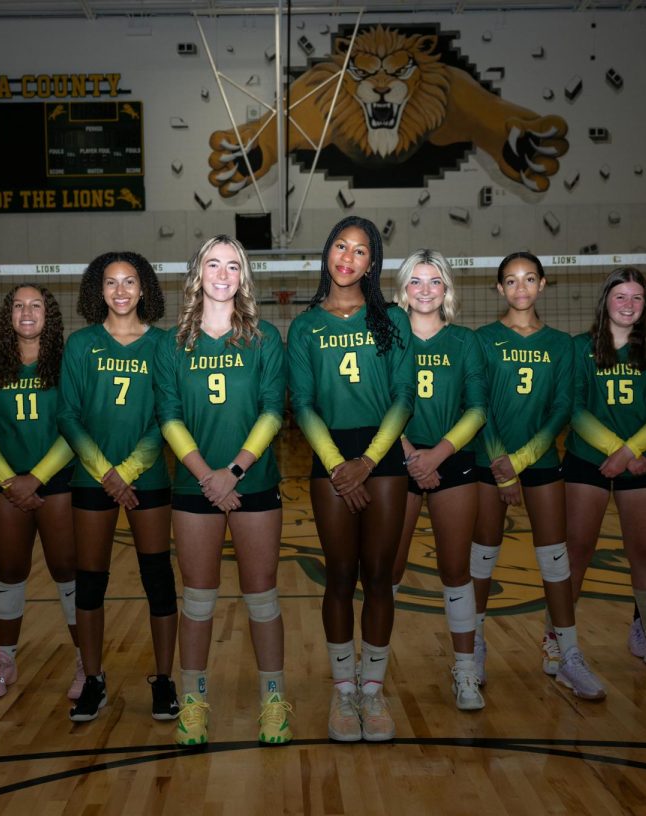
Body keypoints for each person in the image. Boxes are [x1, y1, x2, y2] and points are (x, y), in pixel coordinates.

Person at [155, 235, 292, 746]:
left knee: (262, 599)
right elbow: (168, 417)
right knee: (198, 601)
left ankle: (273, 699)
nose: (222, 273)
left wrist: (230, 473)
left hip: (251, 484)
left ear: (243, 277)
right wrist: (204, 475)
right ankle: (193, 703)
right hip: (195, 488)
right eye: (212, 264)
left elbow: (273, 411)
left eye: (232, 266)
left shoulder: (264, 338)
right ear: (197, 274)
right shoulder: (173, 343)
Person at [287, 215, 414, 742]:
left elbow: (404, 398)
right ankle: (344, 693)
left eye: (361, 250)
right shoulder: (305, 326)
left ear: (372, 262)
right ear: (327, 252)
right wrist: (339, 464)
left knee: (379, 575)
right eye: (341, 245)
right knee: (340, 575)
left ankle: (373, 688)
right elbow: (303, 403)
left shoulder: (393, 320)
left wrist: (368, 460)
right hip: (329, 455)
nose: (348, 256)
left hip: (381, 457)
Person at [472, 252, 607, 699]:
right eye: (510, 281)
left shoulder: (562, 344)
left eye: (529, 278)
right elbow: (480, 408)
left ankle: (567, 653)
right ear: (499, 289)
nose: (520, 288)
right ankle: (472, 647)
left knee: (556, 559)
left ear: (543, 284)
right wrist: (501, 467)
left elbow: (562, 409)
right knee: (482, 559)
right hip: (491, 464)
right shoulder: (483, 340)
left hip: (542, 462)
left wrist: (523, 460)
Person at [59, 251, 179, 723]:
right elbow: (67, 415)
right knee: (90, 582)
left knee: (159, 581)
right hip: (91, 478)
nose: (122, 290)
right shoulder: (80, 344)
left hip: (145, 479)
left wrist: (126, 471)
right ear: (98, 291)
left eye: (130, 281)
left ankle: (165, 679)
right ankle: (93, 679)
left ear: (144, 288)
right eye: (111, 283)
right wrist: (105, 471)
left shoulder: (165, 345)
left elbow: (167, 416)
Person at [564, 267, 646, 679]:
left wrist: (632, 451)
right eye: (621, 297)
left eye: (637, 298)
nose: (628, 305)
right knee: (576, 553)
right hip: (589, 459)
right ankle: (559, 640)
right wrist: (614, 451)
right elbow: (575, 408)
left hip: (643, 461)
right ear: (605, 302)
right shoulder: (580, 347)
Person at [0, 284, 81, 700]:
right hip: (4, 488)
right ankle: (4, 658)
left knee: (67, 572)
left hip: (59, 483)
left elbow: (75, 425)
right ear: (8, 316)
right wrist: (9, 481)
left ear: (48, 315)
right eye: (18, 306)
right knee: (9, 573)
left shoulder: (68, 365)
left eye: (35, 306)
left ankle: (86, 661)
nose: (27, 312)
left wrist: (37, 477)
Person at [388, 249, 488, 711]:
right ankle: (373, 670)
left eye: (434, 281)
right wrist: (410, 453)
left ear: (446, 289)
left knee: (455, 570)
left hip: (453, 462)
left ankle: (466, 670)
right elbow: (376, 401)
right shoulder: (386, 337)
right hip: (398, 459)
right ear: (403, 288)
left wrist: (438, 455)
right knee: (389, 568)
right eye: (416, 281)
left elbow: (477, 409)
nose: (425, 290)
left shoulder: (465, 342)